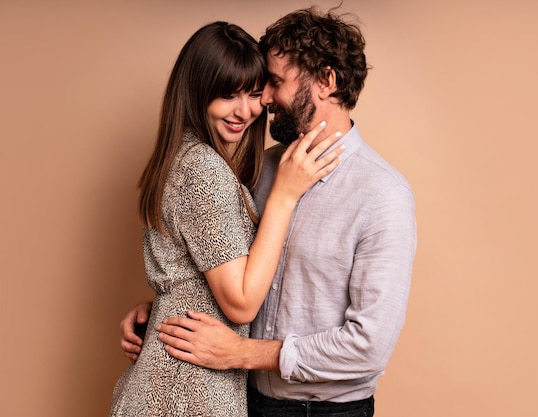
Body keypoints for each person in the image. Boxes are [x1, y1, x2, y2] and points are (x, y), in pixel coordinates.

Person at [121, 7, 417, 417]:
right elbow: (224, 270)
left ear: (326, 82)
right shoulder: (258, 170)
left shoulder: (382, 193)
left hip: (324, 412)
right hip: (243, 399)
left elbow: (369, 346)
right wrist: (165, 310)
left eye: (273, 83)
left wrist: (242, 353)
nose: (262, 101)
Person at [109, 21, 343, 417]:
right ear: (197, 92)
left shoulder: (184, 158)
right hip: (186, 391)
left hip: (179, 381)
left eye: (254, 94)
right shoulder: (202, 168)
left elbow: (195, 270)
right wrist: (284, 197)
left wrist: (163, 304)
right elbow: (240, 303)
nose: (246, 111)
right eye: (227, 95)